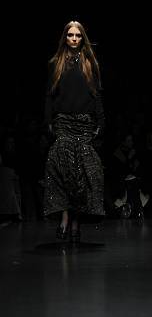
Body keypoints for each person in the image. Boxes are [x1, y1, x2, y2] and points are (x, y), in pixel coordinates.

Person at [43, 21, 105, 242]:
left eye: (78, 35)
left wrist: (101, 121)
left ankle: (76, 222)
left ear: (83, 37)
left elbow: (96, 94)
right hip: (63, 122)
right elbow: (50, 95)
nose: (74, 39)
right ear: (65, 37)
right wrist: (48, 120)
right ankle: (65, 218)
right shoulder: (56, 63)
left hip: (84, 123)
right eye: (70, 35)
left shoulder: (90, 63)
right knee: (60, 169)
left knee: (83, 174)